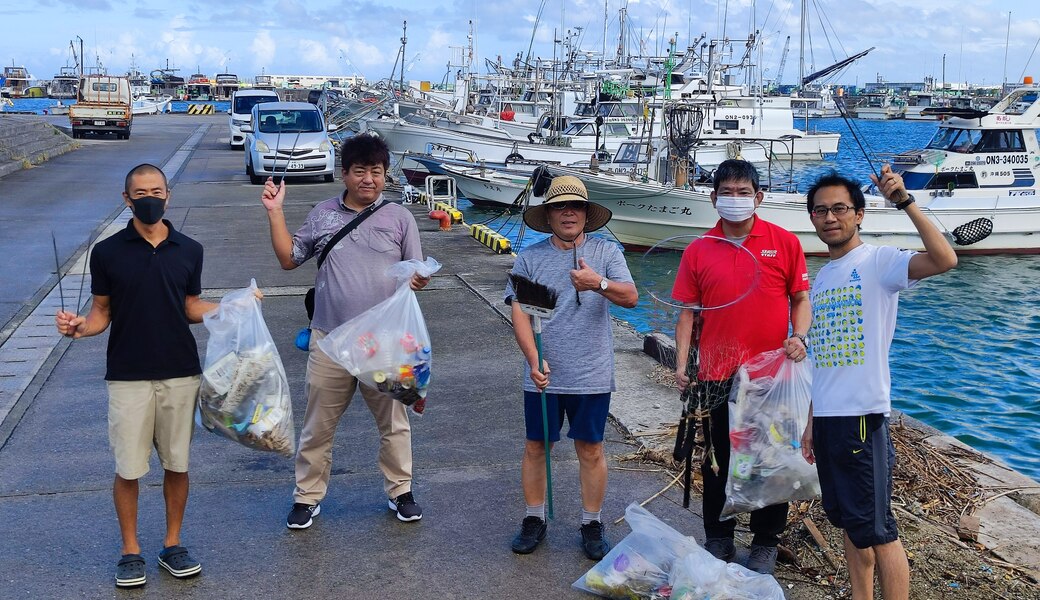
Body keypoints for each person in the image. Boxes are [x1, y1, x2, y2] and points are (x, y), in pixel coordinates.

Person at [55, 164, 221, 588]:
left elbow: (190, 306)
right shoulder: (107, 252)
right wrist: (78, 327)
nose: (150, 197)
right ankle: (130, 551)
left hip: (181, 372)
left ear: (169, 195)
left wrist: (230, 307)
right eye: (141, 192)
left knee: (177, 464)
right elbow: (101, 313)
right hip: (127, 375)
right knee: (129, 469)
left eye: (157, 190)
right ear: (127, 199)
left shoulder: (190, 249)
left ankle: (172, 543)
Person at [800, 165, 957, 599]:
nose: (830, 218)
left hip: (863, 418)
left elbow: (945, 260)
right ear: (811, 218)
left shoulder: (879, 262)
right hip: (830, 417)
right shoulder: (823, 277)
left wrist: (906, 201)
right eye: (820, 211)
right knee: (851, 521)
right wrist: (812, 420)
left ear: (859, 214)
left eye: (840, 209)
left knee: (879, 528)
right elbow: (824, 358)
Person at [260, 134, 430, 530]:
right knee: (317, 424)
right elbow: (289, 259)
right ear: (344, 174)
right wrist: (275, 212)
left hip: (384, 343)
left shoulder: (400, 218)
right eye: (360, 171)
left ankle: (400, 491)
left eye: (376, 171)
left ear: (385, 175)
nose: (368, 179)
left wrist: (418, 278)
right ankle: (307, 497)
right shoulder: (322, 214)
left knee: (394, 423)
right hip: (330, 338)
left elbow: (416, 268)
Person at [670, 159, 811, 575]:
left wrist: (798, 338)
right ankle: (719, 537)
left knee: (772, 459)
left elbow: (800, 299)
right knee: (719, 459)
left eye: (742, 192)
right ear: (713, 199)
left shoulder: (783, 242)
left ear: (758, 197)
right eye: (726, 193)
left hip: (771, 376)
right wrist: (683, 364)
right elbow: (687, 314)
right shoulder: (699, 249)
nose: (735, 200)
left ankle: (766, 541)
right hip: (716, 374)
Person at [504, 175, 638, 559]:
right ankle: (534, 517)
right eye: (560, 206)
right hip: (543, 374)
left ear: (585, 214)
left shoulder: (607, 253)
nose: (568, 213)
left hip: (591, 372)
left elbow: (630, 297)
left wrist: (599, 283)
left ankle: (591, 522)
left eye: (575, 206)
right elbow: (520, 312)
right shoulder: (530, 258)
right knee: (536, 445)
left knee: (591, 448)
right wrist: (533, 359)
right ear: (548, 215)